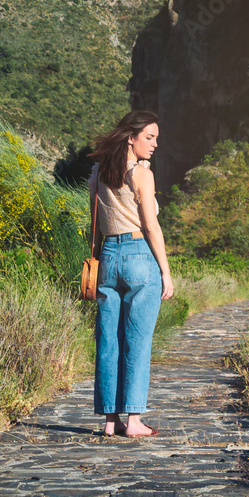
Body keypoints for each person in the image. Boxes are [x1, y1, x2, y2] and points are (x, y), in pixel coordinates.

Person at [87, 110, 174, 437]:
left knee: (108, 340)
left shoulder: (97, 172)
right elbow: (151, 225)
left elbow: (94, 222)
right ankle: (134, 421)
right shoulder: (140, 174)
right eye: (149, 137)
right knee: (137, 340)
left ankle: (111, 422)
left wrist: (98, 263)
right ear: (131, 137)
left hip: (107, 255)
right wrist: (165, 271)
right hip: (139, 254)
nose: (154, 144)